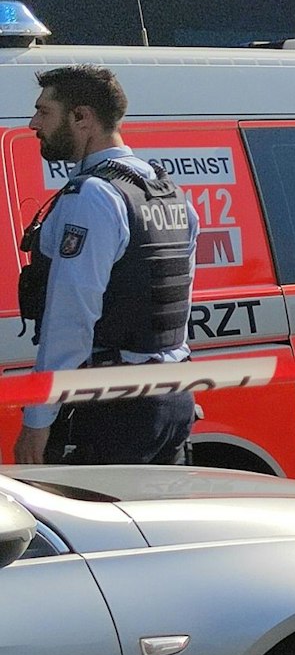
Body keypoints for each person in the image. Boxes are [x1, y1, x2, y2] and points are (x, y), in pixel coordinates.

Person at [13, 66, 196, 466]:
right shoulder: (166, 189)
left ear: (82, 117)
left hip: (114, 409)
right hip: (171, 396)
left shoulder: (93, 196)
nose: (32, 124)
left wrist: (37, 421)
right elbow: (175, 303)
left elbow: (71, 318)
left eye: (44, 112)